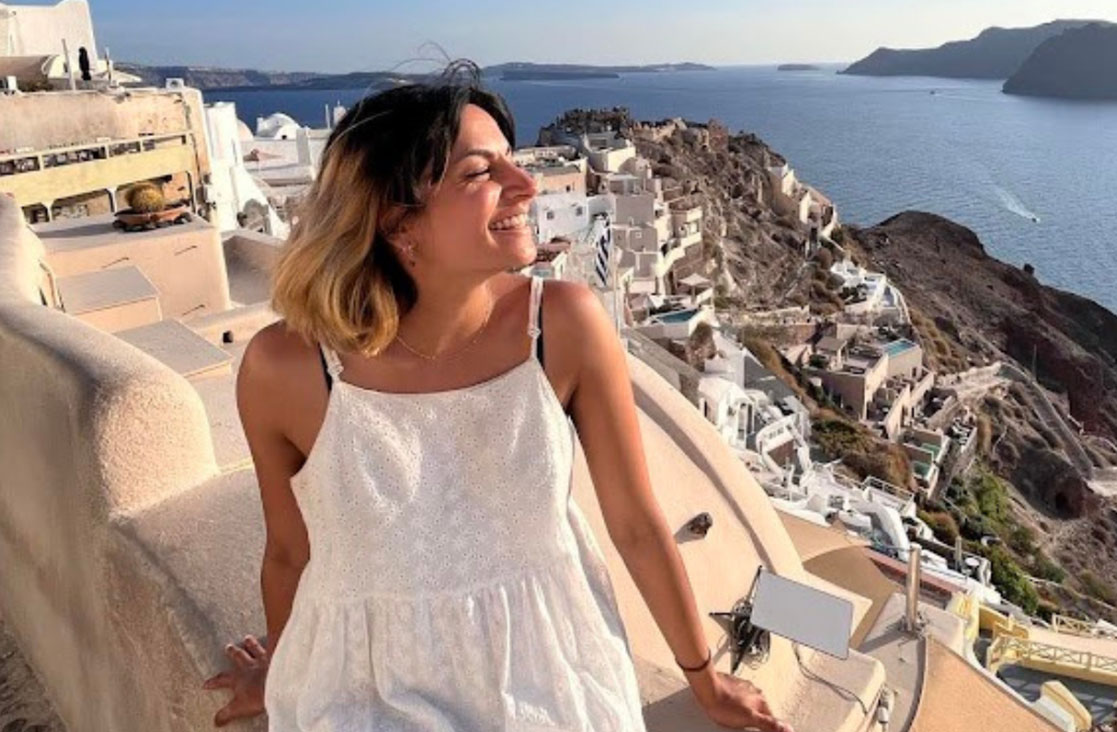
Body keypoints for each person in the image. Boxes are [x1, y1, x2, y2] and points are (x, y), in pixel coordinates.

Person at [201, 62, 791, 732]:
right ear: (398, 224)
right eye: (482, 173)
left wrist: (705, 679)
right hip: (361, 687)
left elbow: (636, 525)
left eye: (511, 161)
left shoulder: (562, 326)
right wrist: (282, 676)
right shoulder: (287, 367)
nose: (527, 184)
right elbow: (289, 551)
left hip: (547, 676)